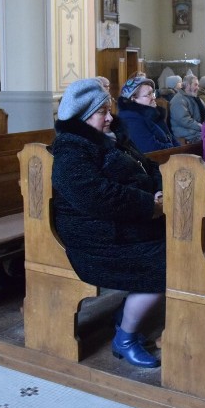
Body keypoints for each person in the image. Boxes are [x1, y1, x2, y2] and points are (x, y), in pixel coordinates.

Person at [51, 78, 164, 368]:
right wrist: (148, 205)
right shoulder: (70, 151)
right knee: (166, 264)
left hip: (121, 228)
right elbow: (97, 197)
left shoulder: (111, 139)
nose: (110, 116)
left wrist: (158, 188)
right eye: (103, 111)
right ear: (84, 116)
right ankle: (124, 338)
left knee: (187, 245)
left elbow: (147, 166)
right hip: (94, 238)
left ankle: (128, 314)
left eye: (108, 109)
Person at [116, 75, 178, 153]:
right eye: (148, 94)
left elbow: (170, 137)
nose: (153, 97)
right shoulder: (130, 119)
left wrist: (180, 152)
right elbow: (152, 150)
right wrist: (173, 148)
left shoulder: (151, 113)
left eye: (153, 93)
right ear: (133, 99)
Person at [169, 73, 205, 143]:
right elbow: (185, 121)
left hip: (195, 132)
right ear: (188, 85)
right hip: (187, 135)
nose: (198, 88)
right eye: (195, 85)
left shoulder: (193, 97)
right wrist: (203, 127)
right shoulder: (178, 100)